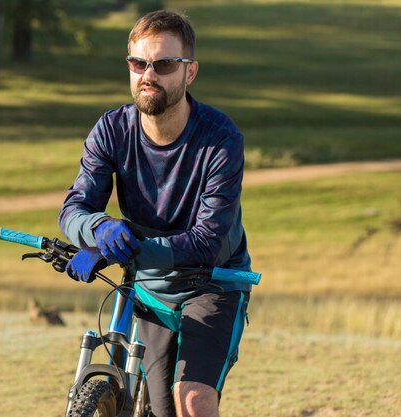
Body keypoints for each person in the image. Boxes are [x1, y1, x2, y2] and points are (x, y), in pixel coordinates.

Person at [58, 10, 252, 417]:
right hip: (148, 287)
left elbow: (206, 242)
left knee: (192, 401)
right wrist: (98, 228)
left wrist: (120, 250)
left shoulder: (220, 139)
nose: (149, 74)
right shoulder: (111, 130)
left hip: (212, 284)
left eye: (164, 65)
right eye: (138, 63)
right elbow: (75, 209)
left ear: (190, 72)